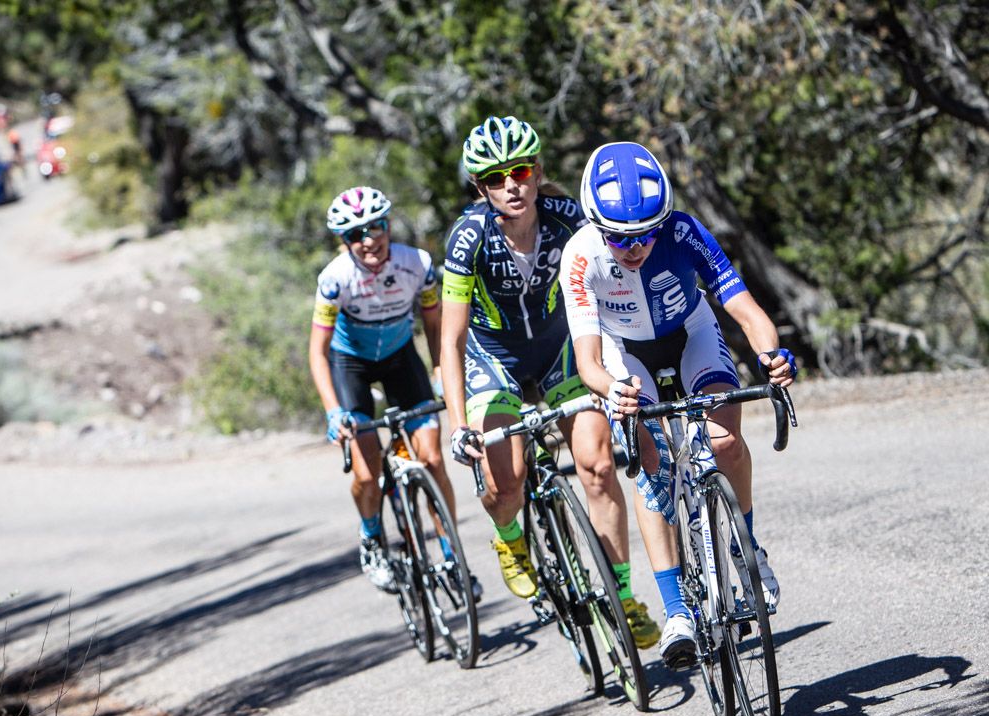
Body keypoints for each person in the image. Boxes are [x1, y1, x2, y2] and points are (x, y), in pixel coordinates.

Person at [559, 140, 797, 667]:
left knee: (724, 438)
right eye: (620, 238)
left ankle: (745, 551)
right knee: (652, 468)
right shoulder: (579, 256)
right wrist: (613, 392)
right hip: (625, 352)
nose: (635, 247)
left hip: (690, 333)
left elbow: (749, 313)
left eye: (646, 233)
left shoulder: (684, 231)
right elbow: (588, 362)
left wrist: (772, 357)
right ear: (598, 226)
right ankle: (676, 610)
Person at [440, 116, 659, 648]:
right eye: (495, 178)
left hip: (561, 348)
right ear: (480, 188)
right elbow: (450, 339)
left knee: (600, 465)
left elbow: (625, 260)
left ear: (537, 172)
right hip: (494, 359)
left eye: (520, 171)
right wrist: (458, 424)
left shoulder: (568, 218)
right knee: (507, 480)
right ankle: (510, 536)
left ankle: (623, 595)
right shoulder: (468, 238)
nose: (511, 185)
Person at [309, 186, 469, 594]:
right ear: (343, 242)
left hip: (401, 360)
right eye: (355, 234)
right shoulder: (334, 279)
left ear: (388, 225)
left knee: (433, 458)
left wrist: (439, 369)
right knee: (367, 473)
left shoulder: (418, 264)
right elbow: (318, 352)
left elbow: (434, 326)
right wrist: (332, 412)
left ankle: (453, 556)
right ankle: (372, 537)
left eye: (375, 227)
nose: (368, 240)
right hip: (352, 366)